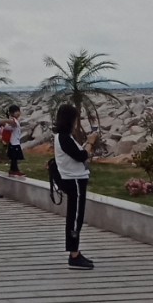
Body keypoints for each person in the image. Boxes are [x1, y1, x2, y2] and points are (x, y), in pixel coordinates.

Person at [54, 103, 98, 270]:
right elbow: (80, 156)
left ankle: (75, 252)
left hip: (74, 179)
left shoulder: (63, 137)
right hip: (74, 181)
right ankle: (74, 255)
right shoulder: (64, 138)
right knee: (75, 217)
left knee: (75, 216)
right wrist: (90, 143)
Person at [4, 104, 25, 178]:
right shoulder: (12, 121)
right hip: (14, 142)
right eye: (16, 111)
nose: (18, 113)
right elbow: (7, 128)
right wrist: (11, 126)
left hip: (16, 141)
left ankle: (12, 170)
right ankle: (15, 170)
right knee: (14, 157)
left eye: (18, 111)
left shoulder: (15, 120)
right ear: (12, 113)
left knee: (14, 157)